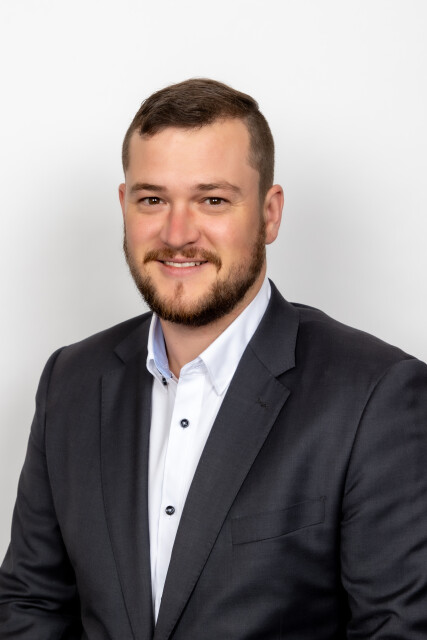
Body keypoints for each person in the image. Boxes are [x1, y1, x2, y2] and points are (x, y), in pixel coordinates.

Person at [1, 78, 427, 640]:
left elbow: (399, 630)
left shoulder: (376, 395)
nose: (178, 234)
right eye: (153, 200)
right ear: (124, 206)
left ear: (270, 214)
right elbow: (30, 606)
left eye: (213, 200)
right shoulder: (70, 381)